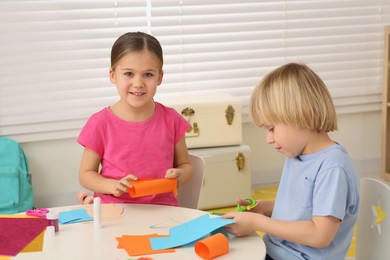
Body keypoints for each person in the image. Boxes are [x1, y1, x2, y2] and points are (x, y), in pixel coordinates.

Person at [222, 63, 360, 260]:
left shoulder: (333, 167)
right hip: (273, 251)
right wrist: (264, 207)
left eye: (271, 128)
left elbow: (319, 235)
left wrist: (256, 222)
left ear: (302, 115)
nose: (268, 139)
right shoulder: (297, 154)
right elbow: (304, 207)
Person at [77, 32, 192, 206]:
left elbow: (186, 165)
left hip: (163, 212)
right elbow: (86, 174)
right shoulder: (100, 123)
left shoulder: (172, 120)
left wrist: (181, 175)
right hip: (114, 212)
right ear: (113, 75)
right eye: (129, 74)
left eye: (148, 75)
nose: (138, 83)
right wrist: (112, 185)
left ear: (160, 77)